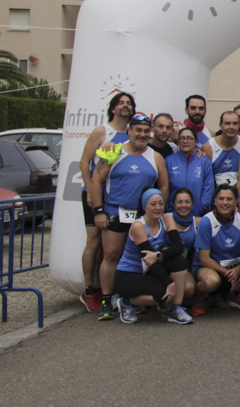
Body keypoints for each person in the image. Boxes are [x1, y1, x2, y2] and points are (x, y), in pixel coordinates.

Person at [88, 114, 169, 321]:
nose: (142, 135)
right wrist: (98, 211)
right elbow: (96, 181)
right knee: (111, 255)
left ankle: (132, 298)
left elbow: (164, 185)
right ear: (130, 131)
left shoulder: (155, 157)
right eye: (138, 130)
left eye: (145, 131)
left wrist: (158, 210)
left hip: (142, 218)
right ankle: (106, 298)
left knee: (141, 259)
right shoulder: (113, 152)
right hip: (114, 212)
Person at [77, 91, 133, 313]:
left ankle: (104, 289)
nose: (125, 106)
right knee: (94, 242)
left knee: (110, 246)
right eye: (121, 103)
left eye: (129, 103)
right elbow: (84, 161)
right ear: (113, 108)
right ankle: (90, 289)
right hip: (94, 192)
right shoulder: (102, 131)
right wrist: (90, 190)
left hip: (115, 196)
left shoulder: (131, 133)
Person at [111, 189, 193, 325]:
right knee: (164, 295)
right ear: (145, 207)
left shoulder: (166, 218)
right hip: (129, 274)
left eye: (161, 204)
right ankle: (126, 301)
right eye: (153, 204)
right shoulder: (138, 226)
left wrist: (159, 254)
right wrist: (170, 283)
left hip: (149, 270)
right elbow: (150, 261)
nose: (158, 208)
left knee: (179, 261)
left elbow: (178, 247)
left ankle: (175, 309)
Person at [193, 185, 240, 314]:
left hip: (235, 266)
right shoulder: (206, 222)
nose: (225, 203)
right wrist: (227, 273)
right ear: (215, 201)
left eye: (229, 199)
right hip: (211, 267)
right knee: (211, 281)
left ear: (235, 201)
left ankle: (237, 295)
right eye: (221, 199)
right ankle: (200, 298)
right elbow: (204, 259)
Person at [202, 111, 240, 212]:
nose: (231, 127)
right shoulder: (209, 147)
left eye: (235, 123)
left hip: (238, 201)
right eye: (227, 123)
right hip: (215, 203)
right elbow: (206, 180)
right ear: (220, 125)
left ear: (239, 125)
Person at [164, 127, 214, 217]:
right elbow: (165, 187)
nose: (185, 141)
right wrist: (169, 210)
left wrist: (200, 208)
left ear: (196, 141)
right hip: (172, 214)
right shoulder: (169, 161)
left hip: (198, 213)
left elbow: (208, 187)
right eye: (182, 138)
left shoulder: (204, 161)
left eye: (189, 138)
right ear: (178, 141)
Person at [168, 188, 198, 304]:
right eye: (179, 202)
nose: (183, 205)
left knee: (189, 289)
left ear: (192, 204)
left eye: (187, 202)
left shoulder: (198, 222)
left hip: (183, 267)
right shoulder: (165, 219)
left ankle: (175, 304)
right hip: (164, 264)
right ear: (174, 205)